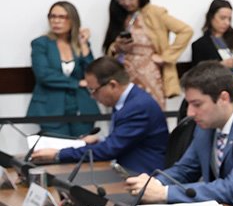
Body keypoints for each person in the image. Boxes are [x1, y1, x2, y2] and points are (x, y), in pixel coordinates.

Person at [126, 63, 233, 206]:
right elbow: (185, 169)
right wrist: (154, 184)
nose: (190, 113)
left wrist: (164, 193)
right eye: (189, 104)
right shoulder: (207, 125)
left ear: (223, 98)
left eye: (197, 104)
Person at [32, 57, 168, 174]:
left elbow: (109, 150)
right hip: (126, 169)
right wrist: (101, 140)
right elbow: (123, 140)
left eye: (93, 90)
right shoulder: (128, 100)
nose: (92, 96)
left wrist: (58, 154)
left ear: (113, 85)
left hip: (142, 174)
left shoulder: (138, 107)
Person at [102, 0, 193, 108]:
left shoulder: (154, 13)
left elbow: (186, 30)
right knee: (127, 111)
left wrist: (166, 57)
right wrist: (116, 47)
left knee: (152, 109)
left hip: (150, 74)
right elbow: (109, 49)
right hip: (124, 74)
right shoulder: (119, 16)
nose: (127, 2)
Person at [27, 1, 99, 137]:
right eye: (52, 16)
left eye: (62, 17)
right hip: (51, 107)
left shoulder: (80, 43)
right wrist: (77, 83)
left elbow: (93, 73)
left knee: (83, 146)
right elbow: (44, 75)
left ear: (73, 20)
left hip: (81, 106)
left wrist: (84, 45)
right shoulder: (41, 43)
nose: (56, 21)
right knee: (57, 147)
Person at [190, 0, 233, 102]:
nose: (226, 23)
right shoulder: (200, 44)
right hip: (214, 91)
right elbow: (197, 74)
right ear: (211, 17)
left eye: (229, 19)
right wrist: (221, 65)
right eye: (222, 18)